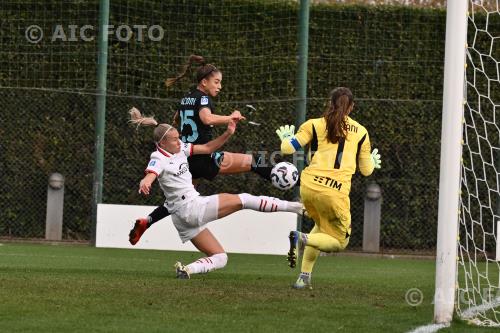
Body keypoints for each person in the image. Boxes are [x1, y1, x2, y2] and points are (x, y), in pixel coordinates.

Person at [131, 112, 303, 279]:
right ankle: (296, 207)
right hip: (192, 208)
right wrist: (146, 181)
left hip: (180, 217)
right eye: (174, 139)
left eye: (178, 137)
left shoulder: (180, 148)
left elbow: (207, 148)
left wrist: (228, 133)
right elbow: (151, 173)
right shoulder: (158, 157)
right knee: (245, 199)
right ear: (162, 143)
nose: (179, 141)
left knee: (220, 257)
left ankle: (186, 270)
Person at [129, 55, 275, 245]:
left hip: (187, 159)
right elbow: (206, 118)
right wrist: (230, 118)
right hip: (203, 156)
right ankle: (287, 179)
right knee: (253, 162)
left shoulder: (186, 99)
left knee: (181, 199)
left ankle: (148, 221)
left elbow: (176, 121)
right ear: (204, 82)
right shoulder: (203, 98)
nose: (219, 86)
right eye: (216, 81)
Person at [275, 87, 381, 289]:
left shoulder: (314, 124)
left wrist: (286, 139)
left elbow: (287, 149)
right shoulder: (361, 132)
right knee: (339, 241)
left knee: (321, 228)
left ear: (329, 103)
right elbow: (366, 171)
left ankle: (303, 278)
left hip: (308, 188)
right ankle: (301, 238)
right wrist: (373, 162)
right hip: (334, 193)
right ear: (351, 107)